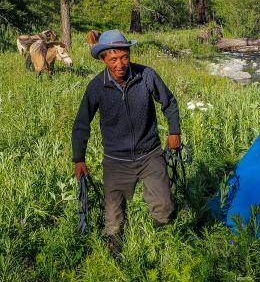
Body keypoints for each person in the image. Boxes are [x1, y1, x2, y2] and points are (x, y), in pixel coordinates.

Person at [72, 29, 181, 254]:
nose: (120, 64)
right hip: (116, 160)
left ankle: (159, 244)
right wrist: (78, 158)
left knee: (165, 207)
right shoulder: (96, 87)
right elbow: (82, 123)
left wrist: (174, 132)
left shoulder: (146, 75)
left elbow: (169, 103)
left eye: (124, 57)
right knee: (113, 219)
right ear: (103, 60)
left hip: (150, 154)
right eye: (113, 59)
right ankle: (115, 252)